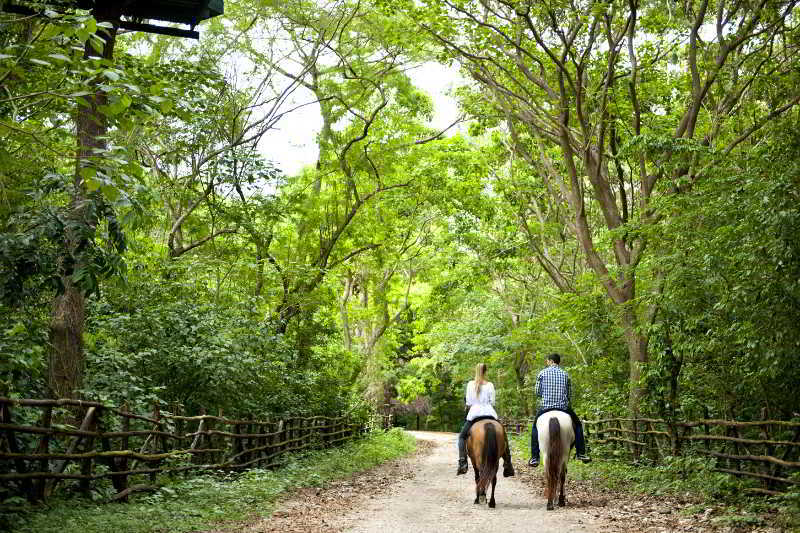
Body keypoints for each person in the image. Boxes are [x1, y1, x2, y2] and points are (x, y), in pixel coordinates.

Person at [528, 353, 591, 467]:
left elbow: (537, 392)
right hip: (563, 407)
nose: (547, 363)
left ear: (551, 361)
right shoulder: (565, 374)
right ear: (558, 362)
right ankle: (581, 453)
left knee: (534, 428)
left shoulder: (542, 373)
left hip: (546, 407)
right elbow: (569, 394)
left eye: (547, 361)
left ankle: (535, 457)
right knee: (578, 425)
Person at [456, 362, 515, 477]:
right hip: (489, 413)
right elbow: (492, 402)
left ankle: (463, 463)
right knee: (503, 435)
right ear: (485, 371)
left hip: (474, 414)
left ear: (475, 371)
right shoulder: (490, 385)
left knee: (462, 437)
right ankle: (508, 464)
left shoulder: (470, 384)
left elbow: (468, 402)